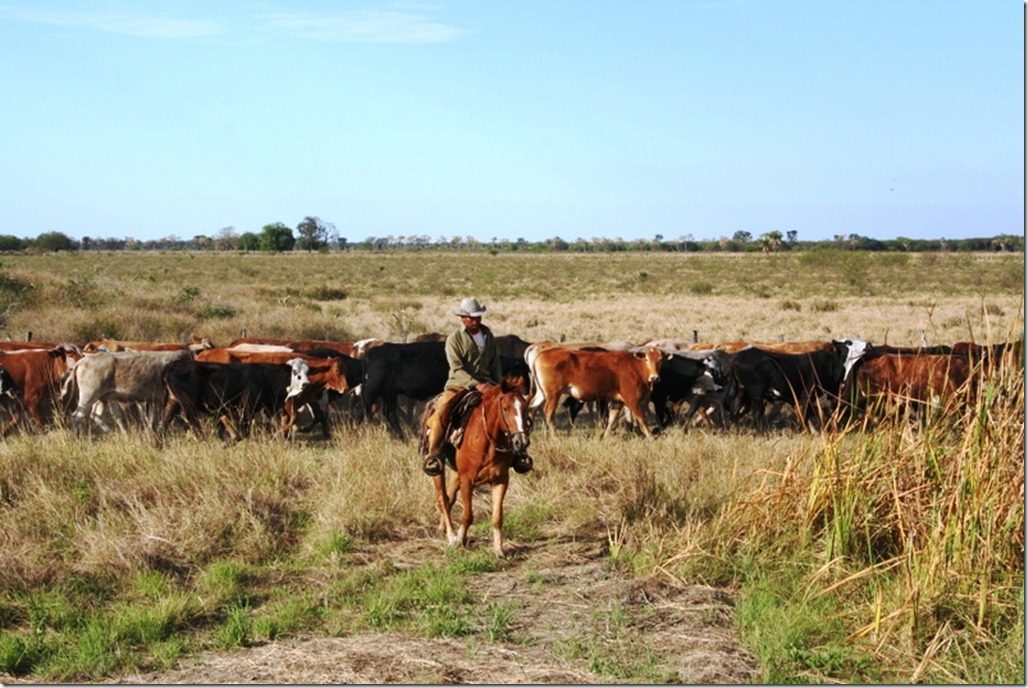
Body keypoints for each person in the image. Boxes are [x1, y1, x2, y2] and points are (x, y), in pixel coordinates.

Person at [421, 297, 532, 476]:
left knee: (514, 409)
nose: (475, 321)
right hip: (459, 384)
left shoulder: (487, 335)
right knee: (443, 410)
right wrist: (476, 384)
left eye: (478, 317)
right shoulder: (454, 339)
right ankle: (434, 453)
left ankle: (519, 453)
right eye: (471, 318)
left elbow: (495, 362)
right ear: (462, 318)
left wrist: (498, 385)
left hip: (489, 383)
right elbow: (457, 368)